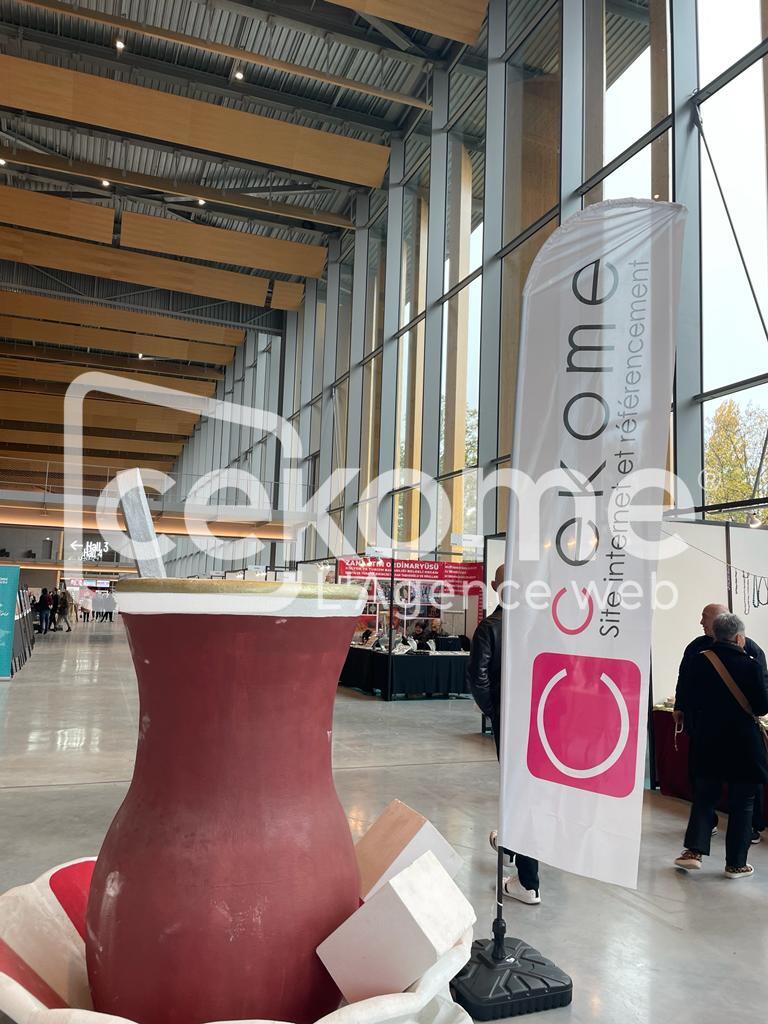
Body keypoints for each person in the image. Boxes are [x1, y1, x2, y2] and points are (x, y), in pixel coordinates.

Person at [466, 564, 541, 904]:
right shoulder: (538, 625)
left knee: (519, 792)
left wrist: (494, 711)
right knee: (525, 788)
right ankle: (510, 843)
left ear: (497, 586)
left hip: (510, 720)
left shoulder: (490, 627)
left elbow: (478, 678)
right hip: (536, 720)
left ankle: (528, 882)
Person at [674, 612, 768, 878]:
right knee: (743, 802)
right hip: (743, 744)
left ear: (714, 633)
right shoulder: (751, 664)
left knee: (704, 798)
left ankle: (693, 852)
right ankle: (736, 864)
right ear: (739, 637)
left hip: (707, 740)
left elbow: (688, 701)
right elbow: (762, 706)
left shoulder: (698, 662)